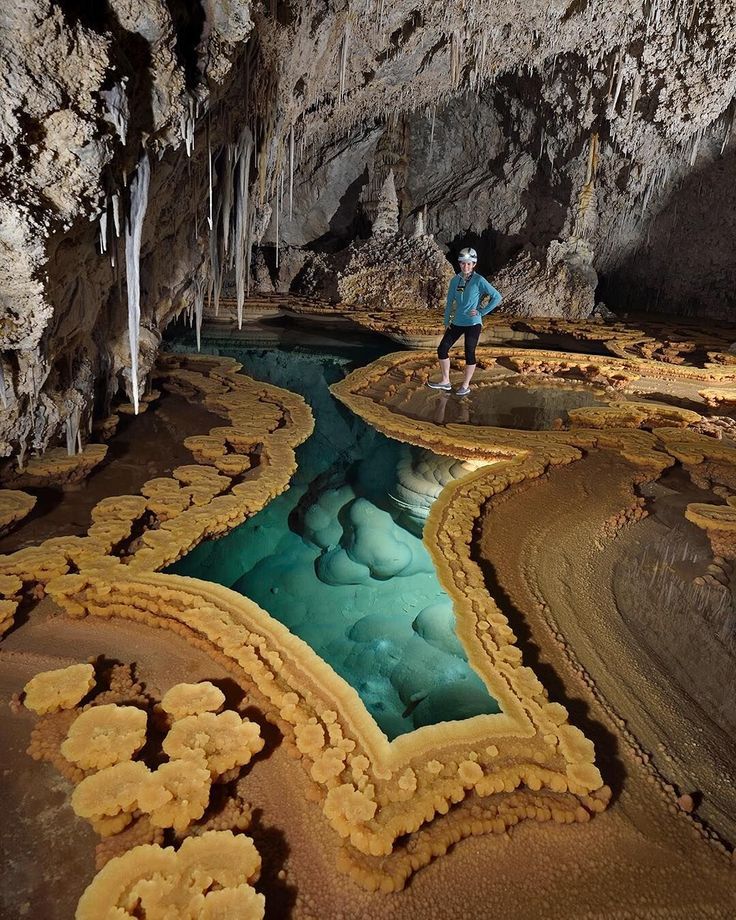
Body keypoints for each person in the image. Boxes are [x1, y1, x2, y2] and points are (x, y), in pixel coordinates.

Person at [427, 247, 502, 396]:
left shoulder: (479, 280)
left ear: (474, 264)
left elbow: (497, 297)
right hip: (457, 321)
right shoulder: (455, 280)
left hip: (473, 323)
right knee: (442, 349)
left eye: (469, 263)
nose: (465, 266)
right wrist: (446, 319)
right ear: (459, 264)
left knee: (469, 352)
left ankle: (465, 385)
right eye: (462, 263)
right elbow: (450, 302)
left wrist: (481, 312)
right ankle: (445, 381)